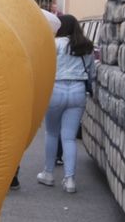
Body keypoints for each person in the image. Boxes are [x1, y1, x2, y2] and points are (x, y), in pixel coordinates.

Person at [35, 14, 95, 193]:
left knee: (52, 133)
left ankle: (48, 173)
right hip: (78, 91)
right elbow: (92, 73)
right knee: (69, 137)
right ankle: (70, 180)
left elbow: (44, 67)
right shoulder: (86, 46)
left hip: (56, 89)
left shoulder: (54, 44)